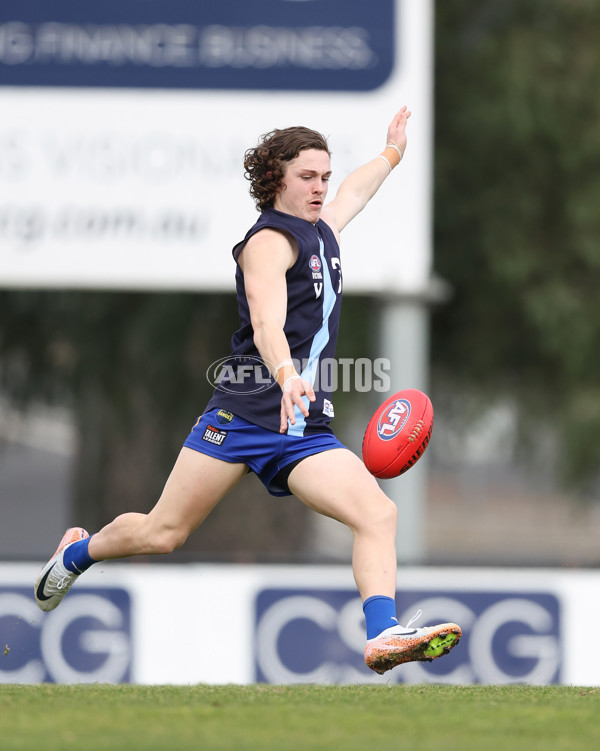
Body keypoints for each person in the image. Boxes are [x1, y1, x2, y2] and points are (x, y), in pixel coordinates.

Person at [34, 107, 461, 675]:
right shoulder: (268, 243)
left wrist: (392, 153)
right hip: (244, 417)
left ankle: (382, 633)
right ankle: (77, 552)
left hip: (304, 432)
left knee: (378, 516)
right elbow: (266, 324)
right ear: (276, 179)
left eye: (324, 176)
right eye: (307, 176)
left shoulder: (323, 229)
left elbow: (357, 191)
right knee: (164, 533)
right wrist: (286, 378)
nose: (320, 186)